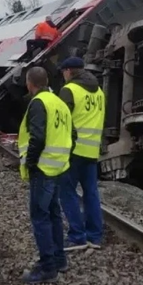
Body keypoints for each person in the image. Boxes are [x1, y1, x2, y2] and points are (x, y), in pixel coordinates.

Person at [18, 66, 73, 284]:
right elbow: (72, 134)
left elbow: (37, 137)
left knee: (40, 217)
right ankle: (60, 259)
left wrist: (31, 162)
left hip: (42, 168)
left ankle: (47, 267)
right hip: (58, 166)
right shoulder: (59, 103)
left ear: (30, 83)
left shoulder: (39, 103)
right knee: (54, 214)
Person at [56, 57, 106, 251]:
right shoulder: (99, 92)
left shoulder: (69, 90)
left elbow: (61, 122)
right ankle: (95, 236)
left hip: (73, 151)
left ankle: (77, 236)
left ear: (69, 71)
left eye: (63, 72)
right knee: (91, 193)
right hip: (91, 151)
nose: (63, 75)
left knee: (67, 192)